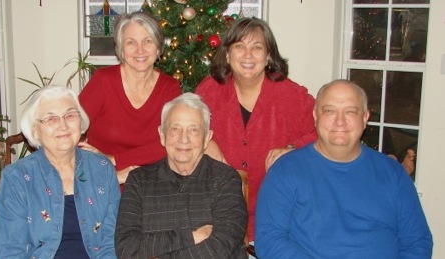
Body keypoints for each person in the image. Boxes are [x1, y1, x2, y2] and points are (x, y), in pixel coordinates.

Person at [255, 79, 433, 258]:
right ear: (316, 116)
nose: (340, 122)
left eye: (350, 112)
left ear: (365, 118)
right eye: (330, 111)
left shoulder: (393, 174)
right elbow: (270, 241)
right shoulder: (285, 172)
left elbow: (417, 241)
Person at [195, 17, 316, 241]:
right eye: (239, 46)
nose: (248, 55)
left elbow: (325, 133)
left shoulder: (292, 96)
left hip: (278, 216)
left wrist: (293, 148)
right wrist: (205, 141)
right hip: (217, 215)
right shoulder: (209, 91)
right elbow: (187, 127)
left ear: (268, 55)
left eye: (257, 47)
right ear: (228, 54)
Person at [0, 86, 121, 258]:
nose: (63, 125)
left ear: (80, 122)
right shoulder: (17, 178)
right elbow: (8, 249)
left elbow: (112, 241)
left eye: (70, 115)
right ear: (35, 130)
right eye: (51, 119)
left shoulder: (102, 169)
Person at [114, 93, 248, 258]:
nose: (183, 139)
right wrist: (192, 236)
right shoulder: (138, 181)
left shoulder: (226, 179)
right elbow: (126, 248)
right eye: (175, 129)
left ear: (207, 138)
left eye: (193, 130)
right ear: (162, 135)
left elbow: (220, 248)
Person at [79, 11, 181, 184]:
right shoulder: (103, 81)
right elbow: (71, 127)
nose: (140, 50)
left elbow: (173, 142)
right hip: (103, 180)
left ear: (158, 48)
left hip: (151, 182)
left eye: (147, 41)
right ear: (121, 49)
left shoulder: (169, 88)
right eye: (131, 42)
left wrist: (114, 159)